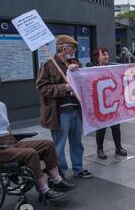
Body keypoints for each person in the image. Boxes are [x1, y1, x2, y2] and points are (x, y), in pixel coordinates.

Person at [0, 72, 74, 201]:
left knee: (47, 144)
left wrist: (15, 142)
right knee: (30, 153)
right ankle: (44, 190)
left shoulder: (0, 105)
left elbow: (7, 127)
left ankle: (57, 180)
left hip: (9, 142)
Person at [36, 35, 93, 179]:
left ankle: (78, 168)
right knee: (59, 145)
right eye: (71, 47)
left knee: (77, 142)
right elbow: (42, 88)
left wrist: (76, 70)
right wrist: (64, 88)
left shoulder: (74, 63)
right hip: (59, 112)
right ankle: (60, 172)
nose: (74, 50)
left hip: (75, 109)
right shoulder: (48, 65)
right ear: (62, 48)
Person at [90, 46, 128, 159]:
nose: (107, 56)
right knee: (101, 128)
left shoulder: (113, 67)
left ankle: (118, 147)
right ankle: (100, 150)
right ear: (98, 57)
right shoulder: (91, 70)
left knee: (116, 126)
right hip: (100, 104)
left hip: (113, 103)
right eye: (104, 54)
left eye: (107, 54)